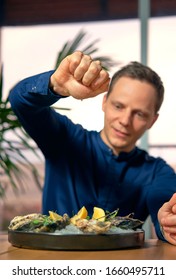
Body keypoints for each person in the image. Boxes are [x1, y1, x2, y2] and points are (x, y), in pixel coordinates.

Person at [9, 51, 176, 245]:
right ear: (104, 102)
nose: (125, 121)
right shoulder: (66, 139)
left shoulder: (157, 172)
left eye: (139, 114)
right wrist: (55, 84)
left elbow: (165, 209)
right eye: (119, 106)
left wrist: (169, 224)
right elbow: (20, 102)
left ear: (152, 121)